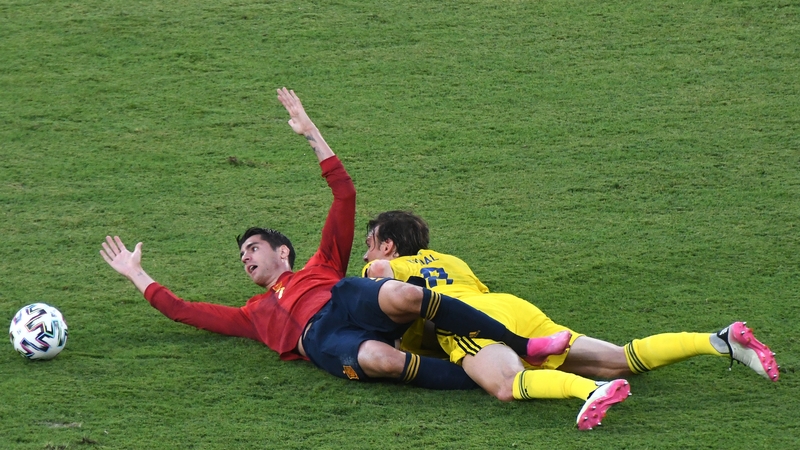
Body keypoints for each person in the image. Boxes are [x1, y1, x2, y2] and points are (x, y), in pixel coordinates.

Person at [100, 88, 568, 391]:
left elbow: (344, 194)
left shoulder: (324, 264)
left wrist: (311, 134)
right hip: (322, 338)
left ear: (283, 251)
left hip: (345, 300)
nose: (246, 259)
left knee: (406, 293)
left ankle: (521, 345)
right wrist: (137, 274)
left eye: (253, 248)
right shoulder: (252, 315)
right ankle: (490, 379)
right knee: (382, 360)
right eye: (243, 255)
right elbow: (184, 311)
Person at [361, 210, 780, 430]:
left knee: (505, 385)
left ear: (389, 247)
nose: (364, 255)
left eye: (370, 245)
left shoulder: (382, 270)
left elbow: (386, 289)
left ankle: (591, 392)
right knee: (619, 357)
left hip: (469, 321)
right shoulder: (452, 260)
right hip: (514, 309)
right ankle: (718, 340)